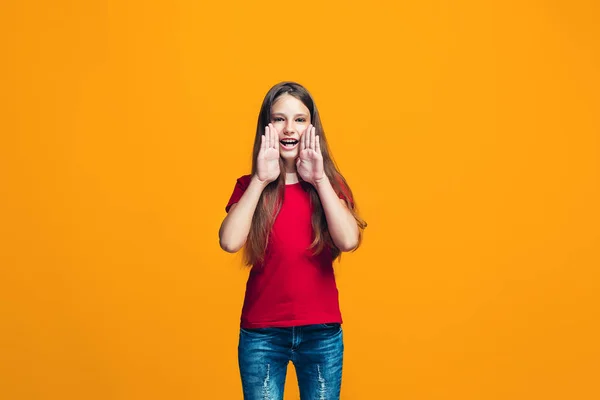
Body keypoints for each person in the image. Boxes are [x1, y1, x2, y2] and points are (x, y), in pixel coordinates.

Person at [219, 81, 367, 400]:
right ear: (267, 126)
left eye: (300, 119)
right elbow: (230, 242)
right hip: (262, 333)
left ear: (312, 127)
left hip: (321, 333)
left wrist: (320, 179)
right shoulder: (249, 186)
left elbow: (349, 240)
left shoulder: (329, 185)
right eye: (279, 118)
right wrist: (261, 179)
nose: (290, 128)